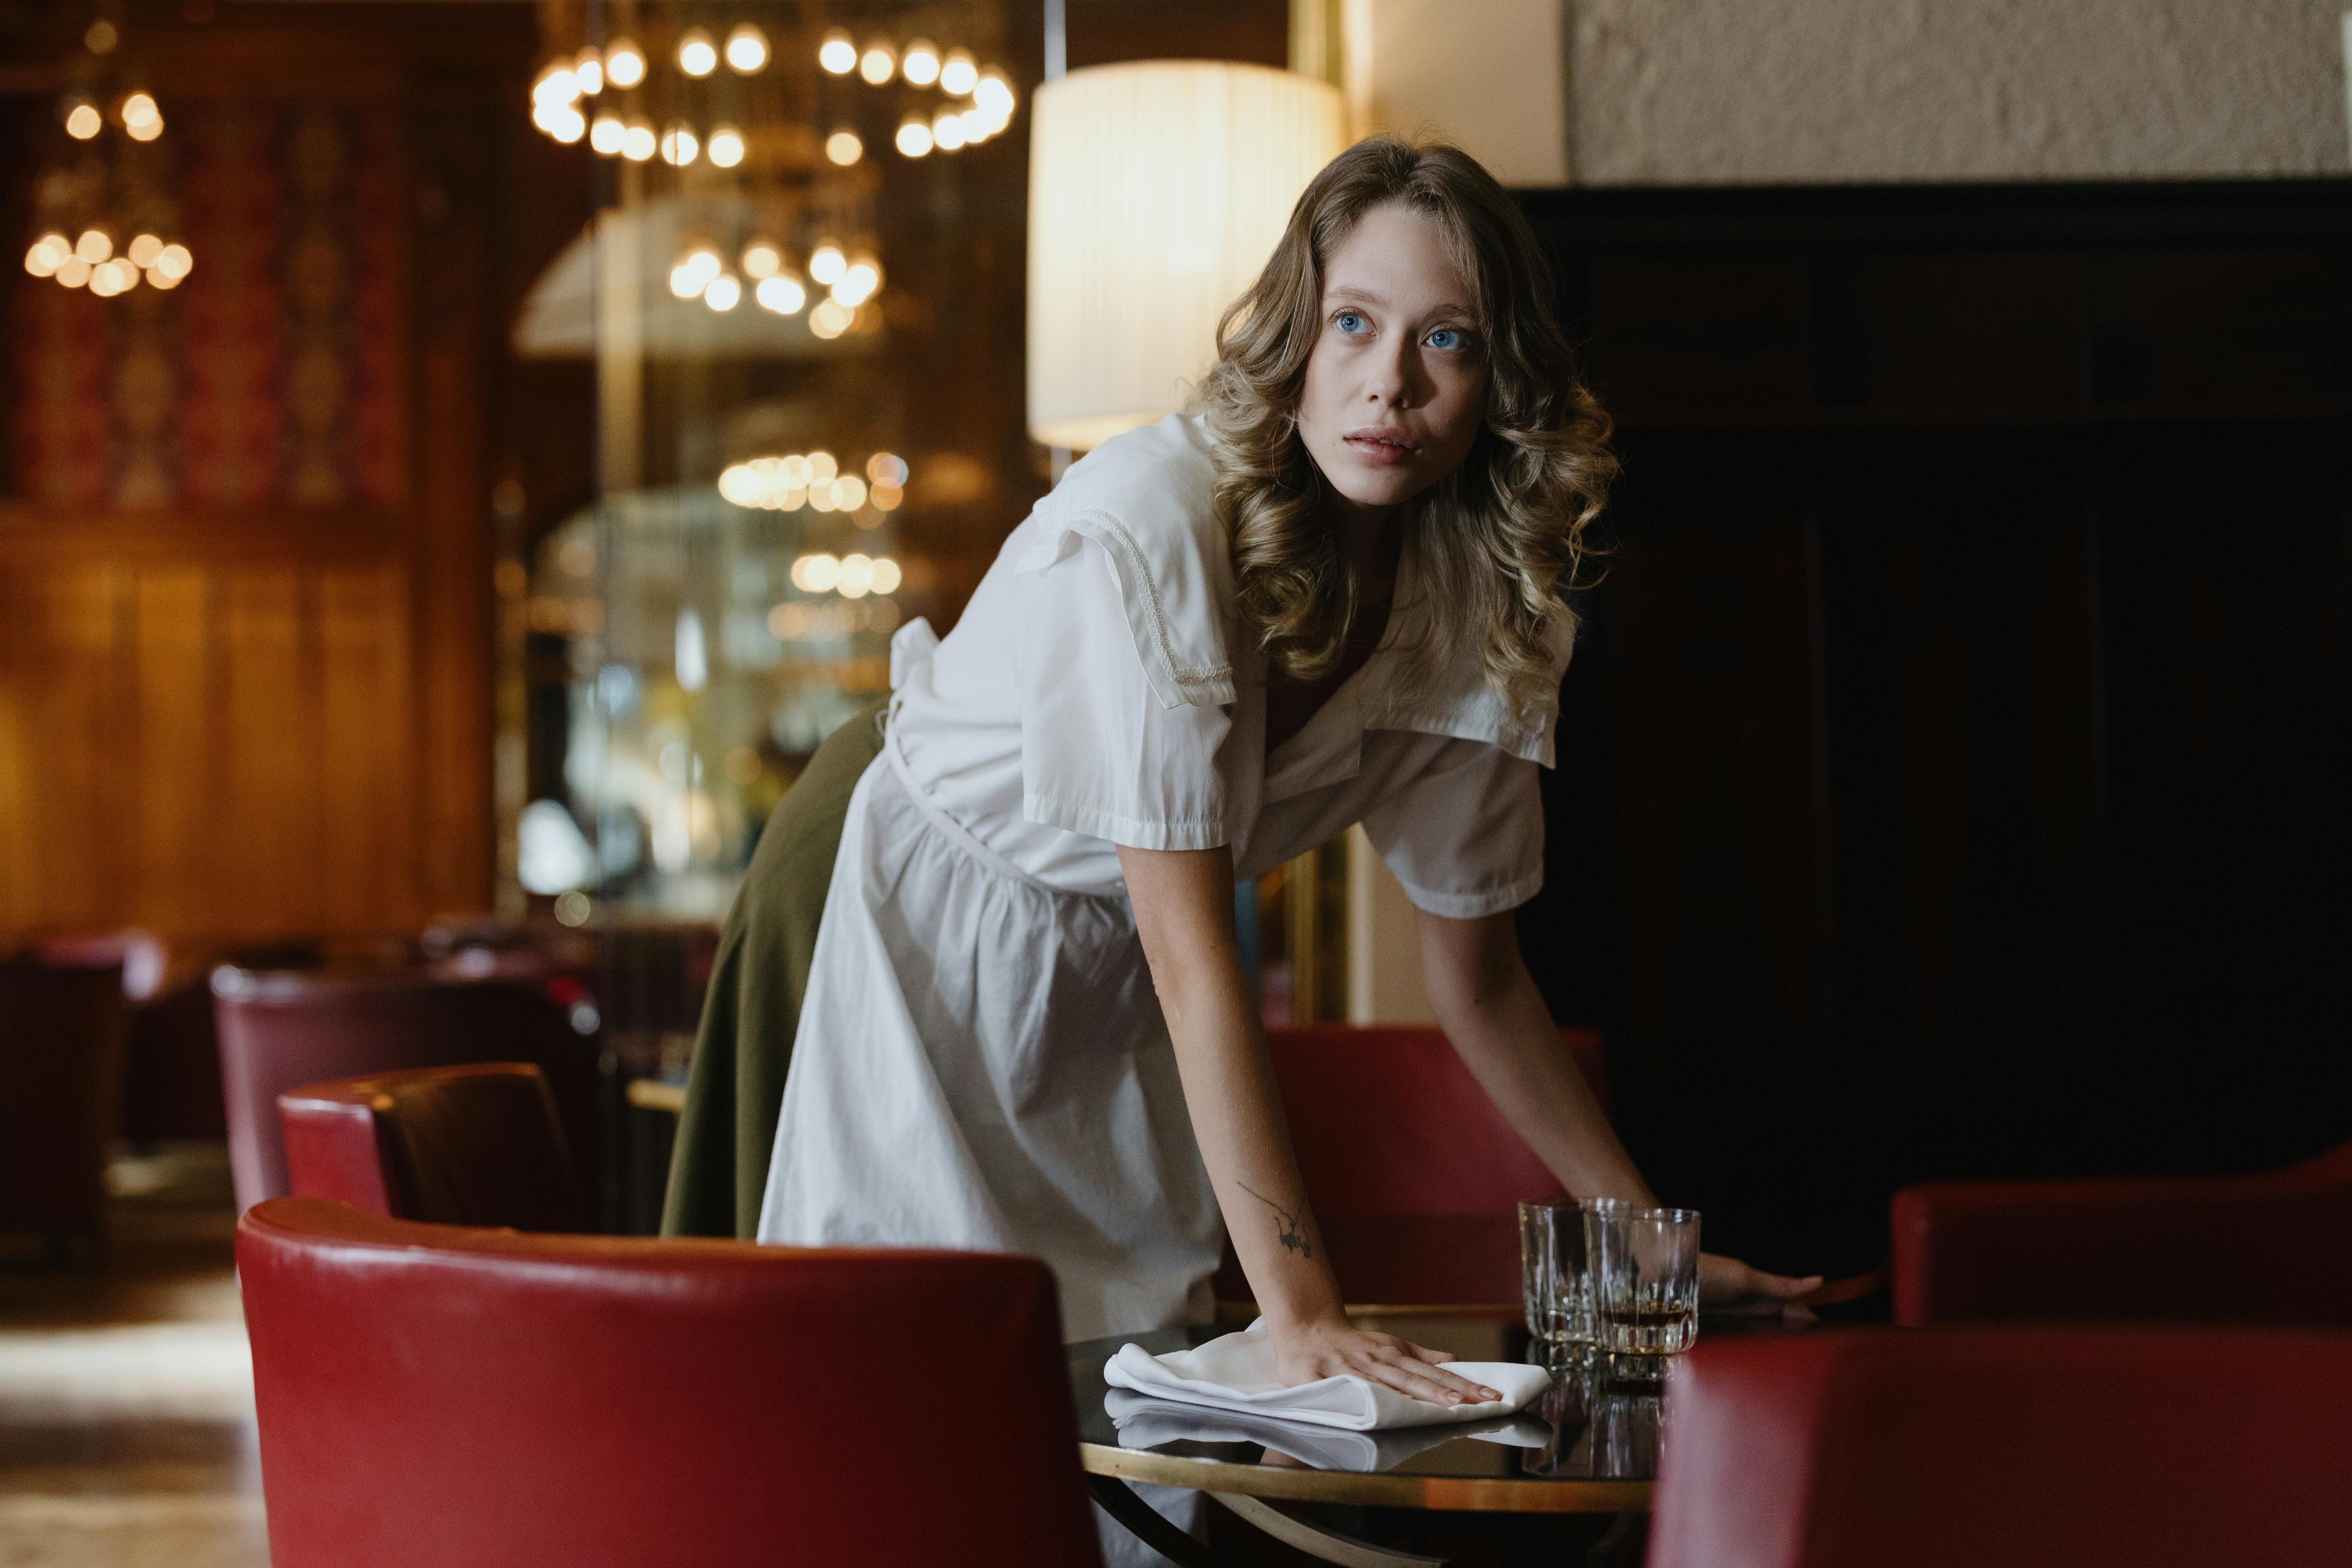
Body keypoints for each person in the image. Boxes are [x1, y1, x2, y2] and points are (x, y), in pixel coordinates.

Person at [667, 137, 1817, 1405]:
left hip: (1103, 969)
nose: (1389, 385)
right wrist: (1306, 1312)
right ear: (1295, 340)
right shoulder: (1151, 525)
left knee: (1103, 1404)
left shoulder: (1480, 601)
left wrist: (1639, 1240)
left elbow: (1481, 985)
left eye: (1446, 341)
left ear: (1500, 380)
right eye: (1353, 325)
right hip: (883, 899)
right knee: (859, 1400)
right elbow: (1192, 952)